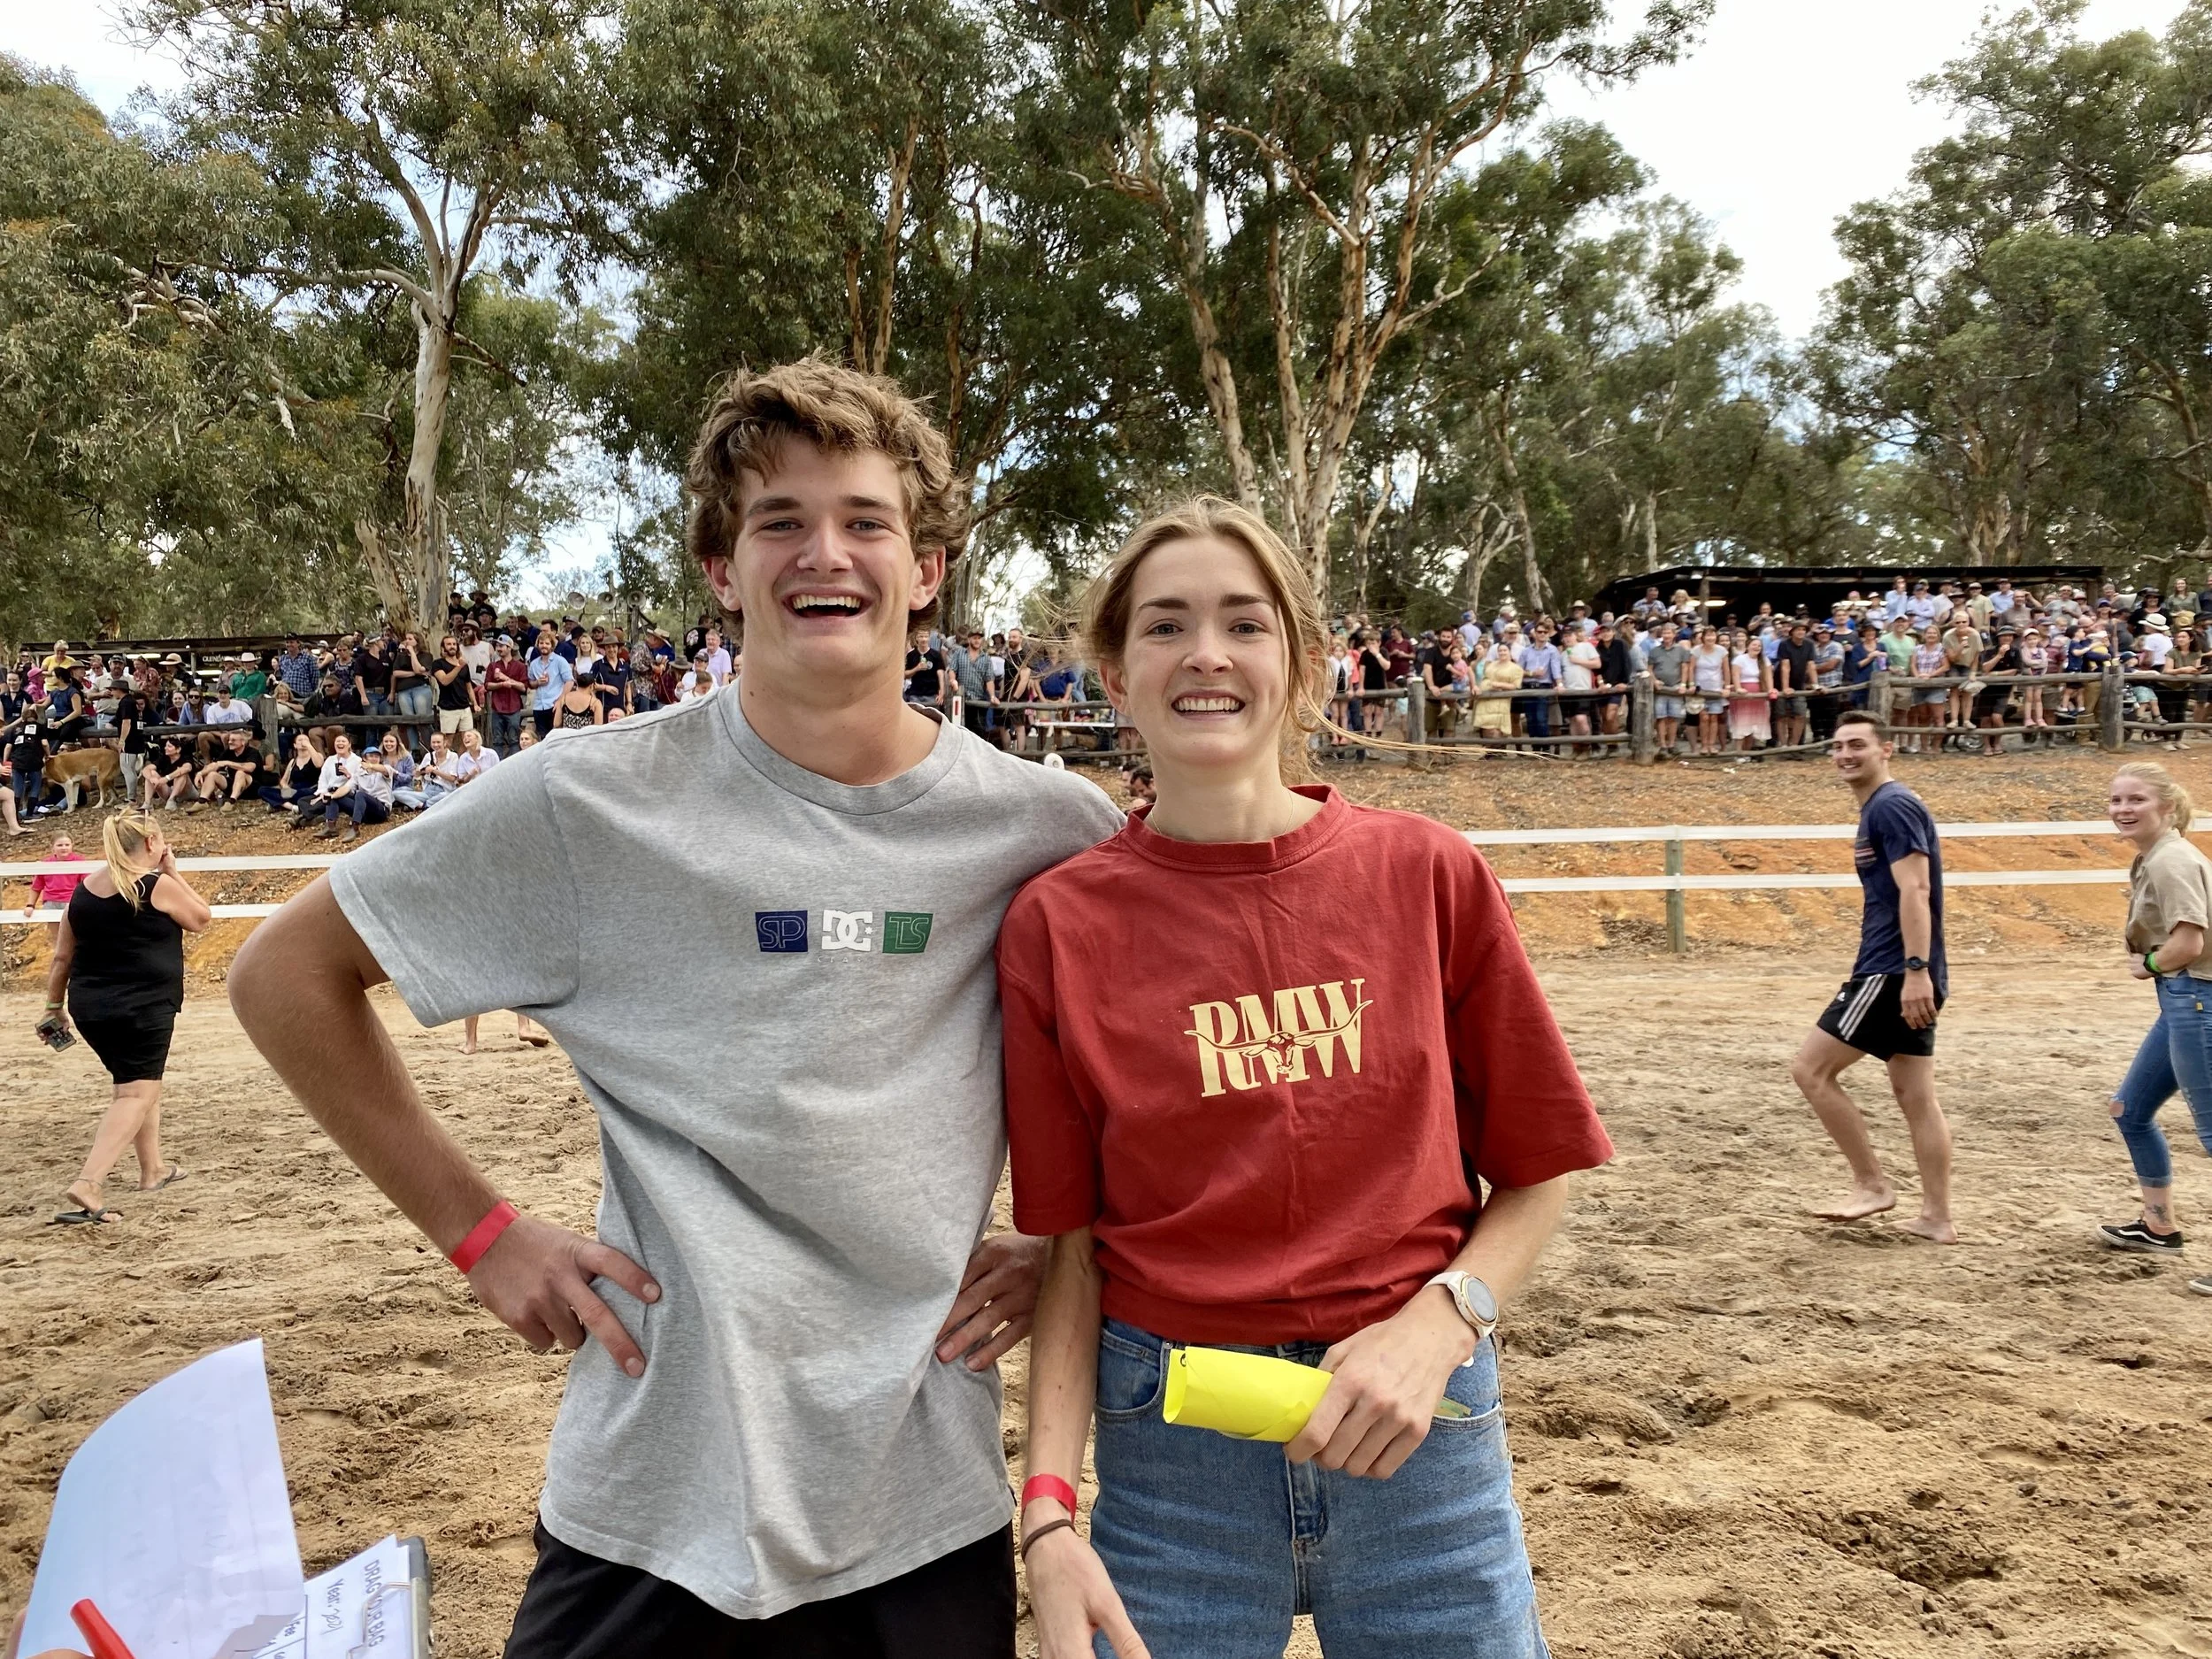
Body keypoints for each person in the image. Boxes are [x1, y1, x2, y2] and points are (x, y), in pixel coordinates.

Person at [226, 357, 1125, 1656]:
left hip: (920, 1504)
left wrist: (1060, 1249)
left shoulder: (1045, 826)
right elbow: (281, 976)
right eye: (781, 521)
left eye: (868, 521)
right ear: (720, 567)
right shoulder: (586, 803)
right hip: (650, 1504)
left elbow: (1150, 1063)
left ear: (928, 566)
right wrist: (480, 1231)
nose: (829, 552)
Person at [1006, 497, 1610, 1659]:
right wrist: (1047, 1512)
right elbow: (1072, 1247)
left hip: (1419, 1433)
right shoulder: (1056, 924)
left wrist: (1440, 1323)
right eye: (1167, 625)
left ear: (1299, 661)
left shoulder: (1428, 875)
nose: (1207, 655)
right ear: (1116, 671)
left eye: (1245, 621)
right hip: (1170, 1454)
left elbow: (1537, 1178)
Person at [1789, 710, 1955, 1244]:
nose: (1845, 754)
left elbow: (1916, 891)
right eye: (1837, 746)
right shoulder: (1882, 808)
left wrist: (1913, 971)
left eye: (1857, 744)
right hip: (1907, 968)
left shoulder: (1892, 805)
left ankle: (1871, 1184)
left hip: (1891, 969)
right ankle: (1936, 1219)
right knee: (1915, 1095)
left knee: (1810, 1070)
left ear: (1887, 750)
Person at [39, 809, 211, 1225]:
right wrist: (173, 872)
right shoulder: (155, 885)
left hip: (90, 1007)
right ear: (151, 844)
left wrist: (52, 1008)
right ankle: (89, 1182)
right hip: (143, 1007)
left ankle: (152, 1170)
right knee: (136, 1093)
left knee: (135, 1087)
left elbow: (63, 956)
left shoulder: (83, 891)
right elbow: (202, 919)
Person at [2094, 763, 2212, 1295]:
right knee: (2130, 1110)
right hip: (2182, 1002)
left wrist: (2150, 965)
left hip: (2197, 998)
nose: (2123, 809)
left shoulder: (2172, 861)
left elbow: (2189, 944)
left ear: (2166, 805)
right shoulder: (2155, 858)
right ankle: (2158, 1226)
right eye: (2116, 800)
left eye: (2135, 800)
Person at [311, 733, 389, 842]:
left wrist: (371, 766)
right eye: (370, 756)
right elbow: (347, 787)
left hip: (380, 811)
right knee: (334, 794)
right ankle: (330, 826)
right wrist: (330, 796)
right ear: (365, 759)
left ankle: (355, 827)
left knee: (360, 794)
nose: (373, 759)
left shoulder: (385, 769)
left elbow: (385, 770)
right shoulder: (359, 774)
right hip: (364, 813)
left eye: (376, 756)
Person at [27, 833, 90, 951]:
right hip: (51, 903)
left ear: (72, 845)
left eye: (67, 844)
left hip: (72, 902)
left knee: (74, 935)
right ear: (53, 847)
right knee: (57, 937)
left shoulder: (80, 862)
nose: (64, 848)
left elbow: (87, 884)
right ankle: (59, 964)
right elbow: (36, 887)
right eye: (60, 845)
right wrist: (30, 905)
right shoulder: (46, 864)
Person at [1647, 622, 1690, 755]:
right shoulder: (1655, 651)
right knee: (1661, 717)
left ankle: (1672, 744)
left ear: (1674, 635)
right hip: (1661, 688)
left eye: (1669, 633)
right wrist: (1654, 681)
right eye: (1665, 633)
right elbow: (1649, 669)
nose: (1667, 635)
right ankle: (1662, 745)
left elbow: (1684, 667)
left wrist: (1683, 684)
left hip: (1675, 687)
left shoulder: (1681, 650)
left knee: (1673, 717)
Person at [1725, 629, 1771, 752]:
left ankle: (1748, 751)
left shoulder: (1764, 660)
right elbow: (1735, 675)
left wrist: (1770, 690)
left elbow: (1768, 677)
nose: (1757, 647)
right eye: (1754, 645)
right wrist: (1738, 687)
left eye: (1759, 645)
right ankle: (1739, 752)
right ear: (1748, 646)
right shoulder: (1740, 659)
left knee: (1753, 726)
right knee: (1742, 724)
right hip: (1743, 695)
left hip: (1758, 694)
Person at [526, 633, 574, 739]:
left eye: (547, 643)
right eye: (541, 643)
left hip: (554, 705)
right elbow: (531, 683)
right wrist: (538, 682)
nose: (544, 646)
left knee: (556, 738)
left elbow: (570, 681)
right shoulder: (534, 664)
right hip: (539, 706)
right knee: (543, 738)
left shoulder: (560, 661)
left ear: (552, 646)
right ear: (538, 645)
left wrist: (560, 700)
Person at [1689, 626, 1726, 756]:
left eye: (1713, 635)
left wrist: (1726, 686)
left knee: (1714, 717)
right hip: (1701, 688)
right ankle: (1704, 745)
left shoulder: (1722, 651)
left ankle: (1712, 745)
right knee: (1704, 717)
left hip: (1716, 688)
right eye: (1708, 635)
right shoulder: (1696, 651)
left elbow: (1726, 670)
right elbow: (1691, 668)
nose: (1710, 638)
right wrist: (1691, 683)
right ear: (1703, 638)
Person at [432, 634, 479, 738]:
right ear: (443, 647)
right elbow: (444, 681)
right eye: (448, 644)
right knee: (448, 740)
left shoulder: (464, 665)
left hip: (465, 707)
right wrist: (458, 667)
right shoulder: (438, 663)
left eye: (454, 644)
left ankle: (460, 755)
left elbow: (469, 686)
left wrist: (475, 703)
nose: (452, 646)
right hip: (448, 708)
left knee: (467, 739)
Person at [141, 736, 196, 810]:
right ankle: (147, 803)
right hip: (169, 790)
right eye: (166, 746)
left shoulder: (185, 758)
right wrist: (151, 778)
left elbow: (187, 768)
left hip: (186, 791)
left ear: (178, 749)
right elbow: (146, 769)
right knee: (152, 773)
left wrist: (167, 778)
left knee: (181, 772)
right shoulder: (164, 758)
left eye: (169, 746)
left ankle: (172, 800)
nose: (165, 748)